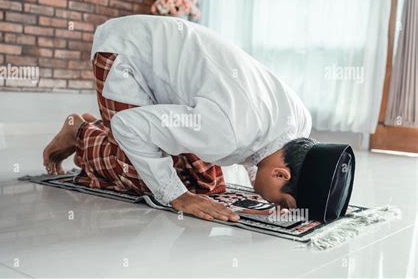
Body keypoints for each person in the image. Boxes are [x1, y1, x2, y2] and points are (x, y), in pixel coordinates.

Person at [43, 15, 316, 223]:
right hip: (125, 53)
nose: (275, 208)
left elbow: (259, 146)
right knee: (141, 178)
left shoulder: (300, 121)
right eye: (283, 204)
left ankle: (100, 130)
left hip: (180, 82)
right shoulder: (227, 131)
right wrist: (178, 196)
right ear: (281, 174)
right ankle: (80, 131)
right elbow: (130, 126)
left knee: (205, 183)